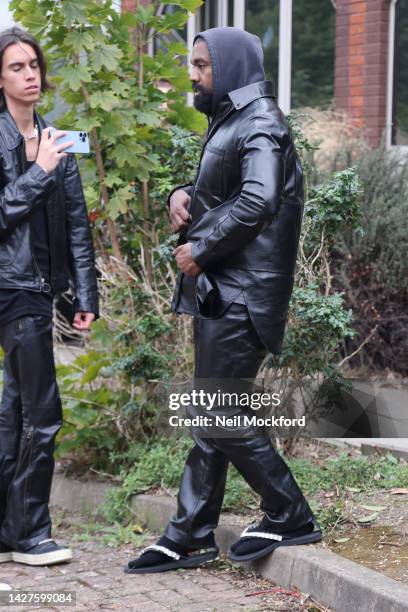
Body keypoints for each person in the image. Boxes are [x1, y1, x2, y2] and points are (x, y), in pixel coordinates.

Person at [126, 26, 321, 574]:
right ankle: (189, 534)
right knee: (212, 412)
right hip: (227, 291)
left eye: (201, 65)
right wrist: (180, 196)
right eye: (193, 64)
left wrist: (201, 247)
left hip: (243, 294)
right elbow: (228, 189)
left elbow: (259, 198)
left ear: (230, 67)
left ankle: (289, 511)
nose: (192, 74)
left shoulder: (260, 122)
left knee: (216, 413)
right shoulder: (234, 119)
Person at [0, 27, 98, 567]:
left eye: (34, 64)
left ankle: (11, 529)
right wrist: (38, 173)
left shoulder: (60, 139)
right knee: (42, 411)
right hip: (10, 289)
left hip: (42, 291)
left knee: (16, 410)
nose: (30, 74)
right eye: (17, 66)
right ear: (0, 78)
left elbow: (78, 225)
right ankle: (32, 532)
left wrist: (84, 292)